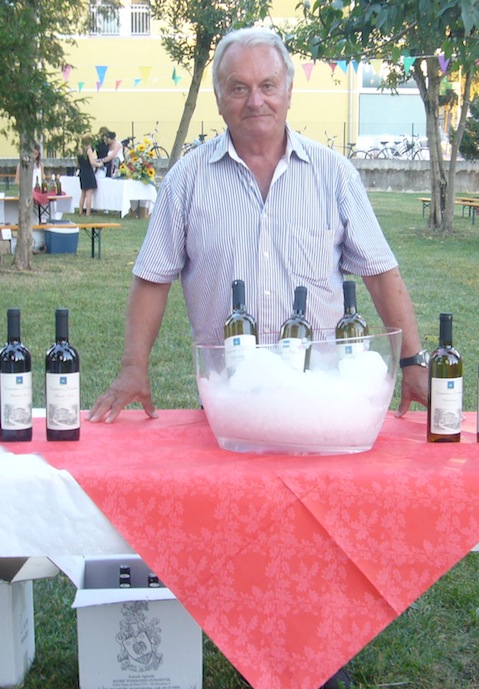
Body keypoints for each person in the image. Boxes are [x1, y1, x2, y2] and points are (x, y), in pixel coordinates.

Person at [88, 27, 426, 427]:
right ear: (218, 98)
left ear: (288, 92)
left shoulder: (335, 175)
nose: (255, 101)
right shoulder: (186, 180)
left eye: (268, 85)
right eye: (239, 88)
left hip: (321, 399)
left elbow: (381, 275)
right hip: (227, 403)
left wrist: (412, 363)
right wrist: (133, 368)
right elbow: (152, 280)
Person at [76, 136, 100, 216]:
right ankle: (88, 213)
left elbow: (77, 163)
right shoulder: (88, 150)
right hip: (88, 172)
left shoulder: (79, 150)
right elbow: (92, 162)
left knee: (83, 194)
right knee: (88, 194)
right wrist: (99, 164)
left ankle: (80, 211)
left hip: (82, 172)